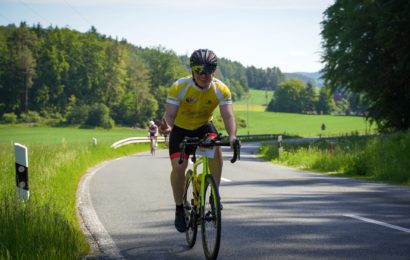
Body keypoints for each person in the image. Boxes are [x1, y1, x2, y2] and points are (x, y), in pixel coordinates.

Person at [161, 49, 237, 233]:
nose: (204, 75)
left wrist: (232, 135)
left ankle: (214, 195)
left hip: (204, 127)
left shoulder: (221, 89)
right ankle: (180, 207)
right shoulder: (179, 87)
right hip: (180, 130)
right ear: (192, 70)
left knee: (216, 148)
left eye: (209, 71)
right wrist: (168, 129)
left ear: (214, 71)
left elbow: (228, 116)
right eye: (199, 70)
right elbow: (170, 114)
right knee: (179, 168)